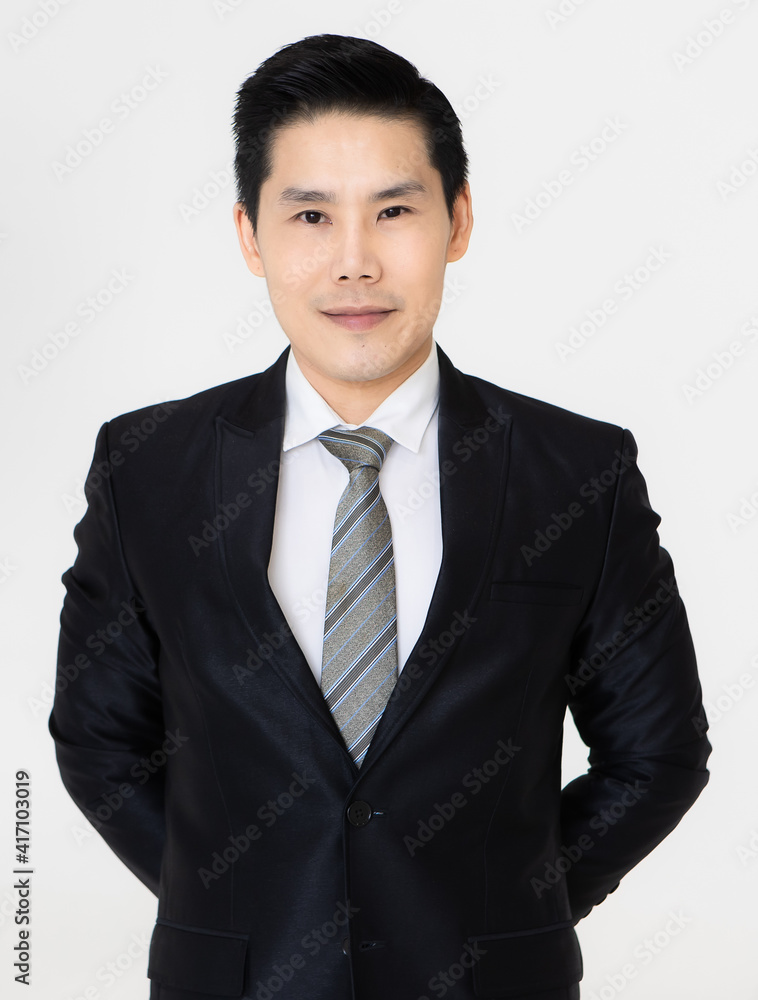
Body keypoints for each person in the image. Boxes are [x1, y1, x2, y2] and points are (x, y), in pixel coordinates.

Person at [49, 33, 711, 1000]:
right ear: (250, 236)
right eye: (311, 215)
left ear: (457, 221)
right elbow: (99, 741)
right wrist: (238, 901)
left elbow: (657, 756)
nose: (354, 262)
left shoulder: (577, 472)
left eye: (394, 211)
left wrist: (505, 908)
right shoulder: (148, 468)